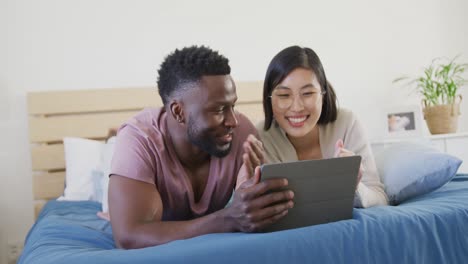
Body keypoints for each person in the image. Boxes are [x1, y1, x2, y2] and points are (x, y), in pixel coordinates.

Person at [108, 46, 294, 249]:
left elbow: (253, 212)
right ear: (179, 112)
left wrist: (251, 195)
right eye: (219, 109)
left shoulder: (242, 134)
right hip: (130, 184)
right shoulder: (139, 140)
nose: (233, 121)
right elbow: (129, 237)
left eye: (233, 106)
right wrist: (228, 219)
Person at [256, 46, 388, 208]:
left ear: (323, 94)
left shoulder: (347, 123)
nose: (296, 107)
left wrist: (353, 186)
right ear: (269, 99)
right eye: (284, 95)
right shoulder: (260, 137)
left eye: (307, 93)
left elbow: (380, 198)